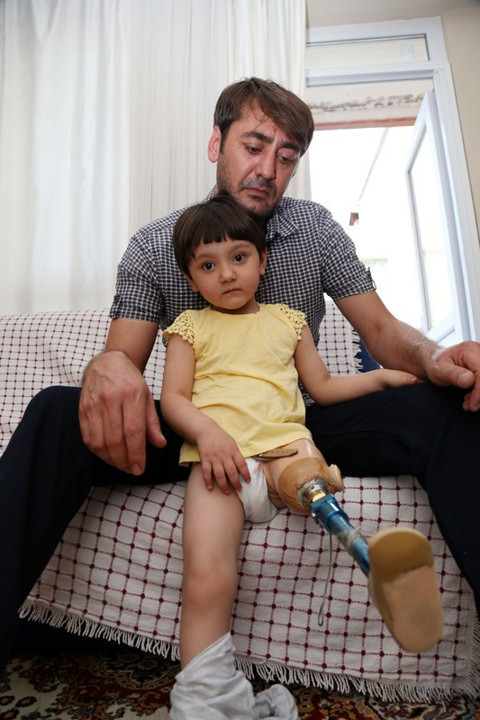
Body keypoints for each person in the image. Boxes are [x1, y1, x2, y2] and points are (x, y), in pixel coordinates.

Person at [0, 76, 479, 670]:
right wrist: (107, 366)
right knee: (55, 412)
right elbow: (123, 359)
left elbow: (380, 331)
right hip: (197, 427)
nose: (268, 170)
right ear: (216, 143)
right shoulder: (154, 245)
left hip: (297, 421)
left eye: (287, 157)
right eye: (254, 146)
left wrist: (433, 358)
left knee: (442, 403)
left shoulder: (315, 230)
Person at [161, 193, 443, 718]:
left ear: (263, 261)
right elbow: (173, 399)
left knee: (310, 474)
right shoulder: (188, 328)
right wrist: (209, 434)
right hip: (221, 463)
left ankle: (370, 557)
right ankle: (204, 699)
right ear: (190, 279)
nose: (227, 274)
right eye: (208, 265)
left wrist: (383, 378)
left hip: (284, 451)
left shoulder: (289, 321)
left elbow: (324, 386)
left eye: (238, 257)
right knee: (206, 572)